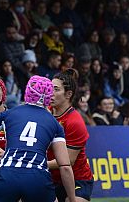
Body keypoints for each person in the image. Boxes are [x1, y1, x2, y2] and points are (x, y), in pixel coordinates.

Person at [48, 70, 94, 202]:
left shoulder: (75, 121)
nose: (50, 93)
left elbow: (67, 161)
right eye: (50, 88)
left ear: (68, 94)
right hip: (50, 178)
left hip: (78, 179)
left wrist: (37, 163)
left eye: (55, 89)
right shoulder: (45, 113)